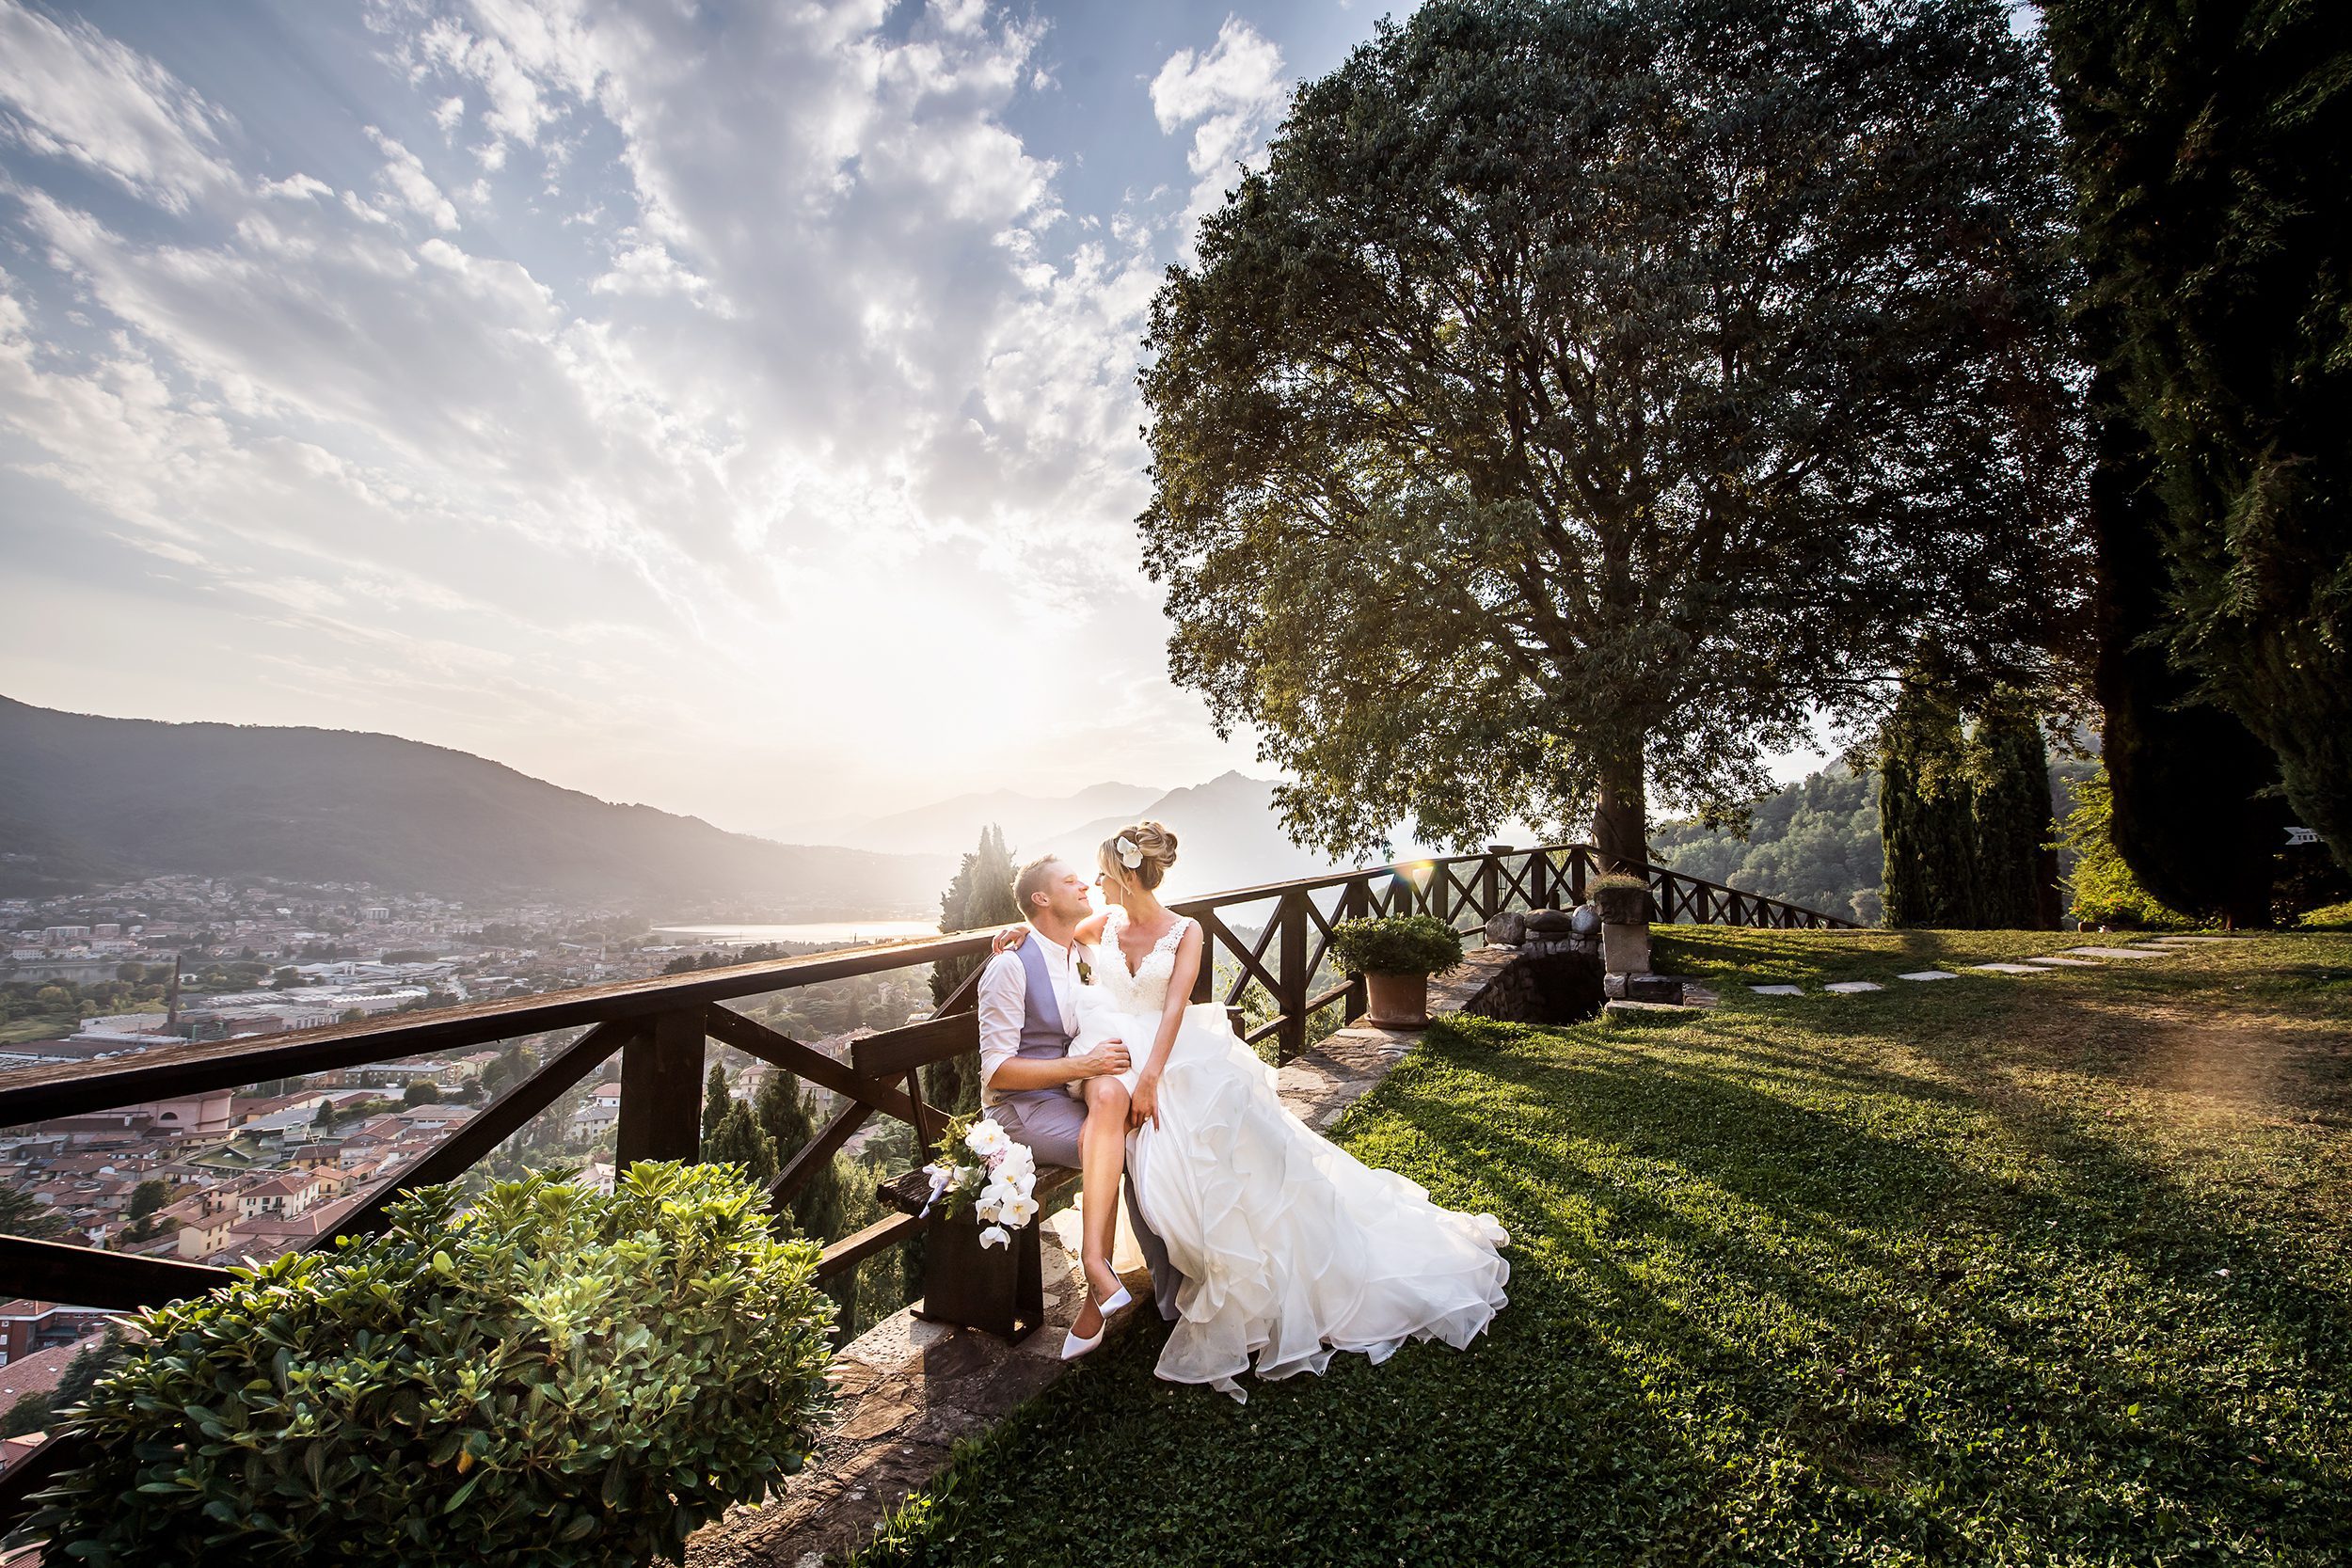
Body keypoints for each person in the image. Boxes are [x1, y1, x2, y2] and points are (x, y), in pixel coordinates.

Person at [1005, 820, 1509, 1401]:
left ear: (1122, 873)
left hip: (1167, 1056)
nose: (1094, 883)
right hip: (1110, 1049)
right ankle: (1142, 1269)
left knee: (1209, 1148)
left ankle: (1231, 1270)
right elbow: (1054, 937)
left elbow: (1173, 1009)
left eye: (1100, 873)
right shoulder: (1105, 922)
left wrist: (1151, 1080)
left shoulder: (1185, 931)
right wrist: (1013, 938)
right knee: (1145, 1142)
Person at [976, 853, 1184, 1358]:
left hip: (1066, 1098)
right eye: (1071, 881)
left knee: (1130, 1117)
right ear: (1042, 899)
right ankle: (1111, 1287)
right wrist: (1085, 1067)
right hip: (1018, 1110)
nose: (1085, 885)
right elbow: (996, 1072)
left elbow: (1139, 918)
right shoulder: (1008, 966)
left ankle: (1123, 1279)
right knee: (1115, 1141)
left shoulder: (1075, 951)